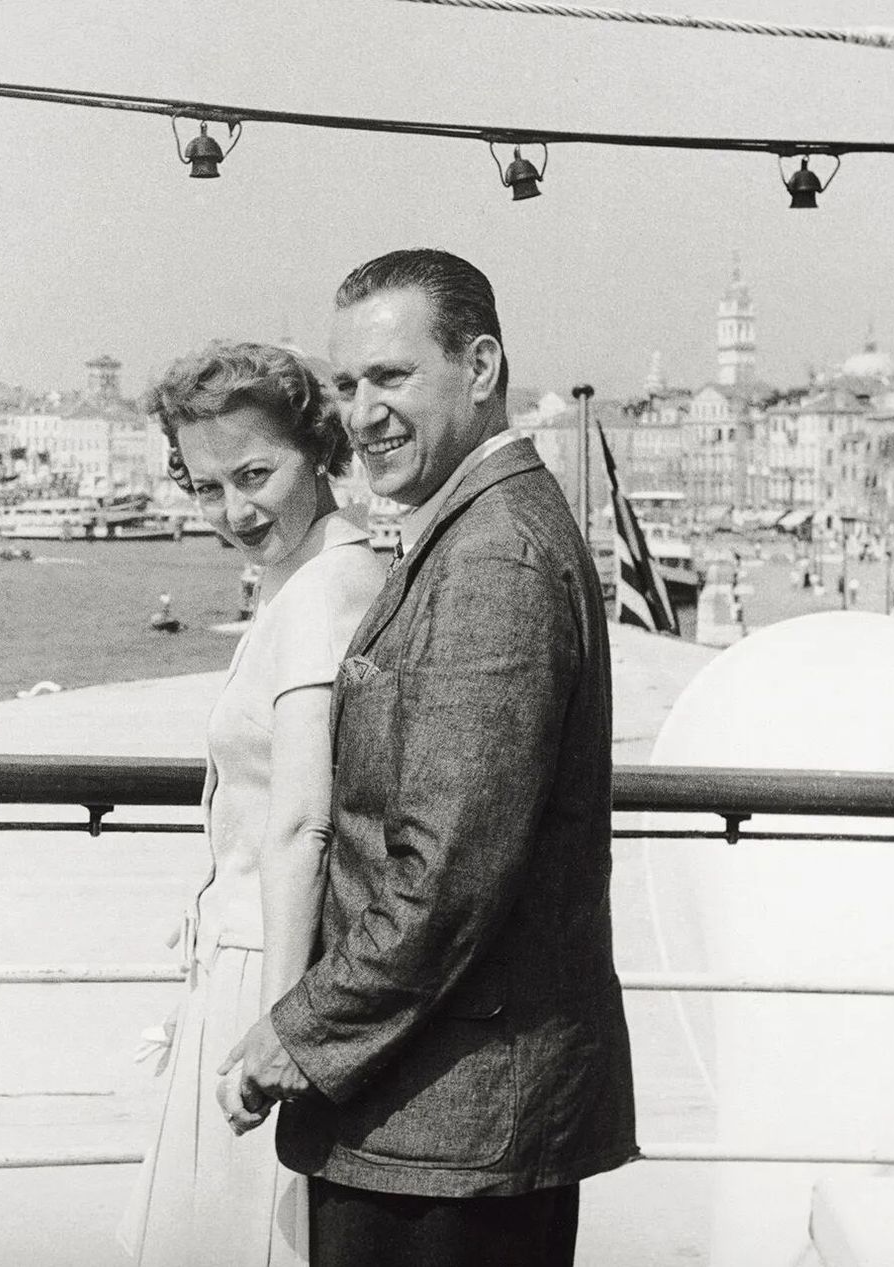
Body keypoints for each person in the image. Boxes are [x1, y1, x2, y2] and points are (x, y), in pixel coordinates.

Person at [222, 249, 637, 1266]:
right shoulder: (476, 526)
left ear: (481, 365)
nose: (363, 413)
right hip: (446, 1114)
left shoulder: (495, 553)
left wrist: (298, 1032)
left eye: (392, 377)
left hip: (448, 1129)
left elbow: (448, 867)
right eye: (348, 384)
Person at [119, 341, 387, 1266]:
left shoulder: (321, 590)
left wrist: (278, 1027)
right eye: (205, 487)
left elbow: (303, 818)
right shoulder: (306, 575)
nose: (234, 510)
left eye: (255, 473)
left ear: (319, 449)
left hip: (265, 971)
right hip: (250, 958)